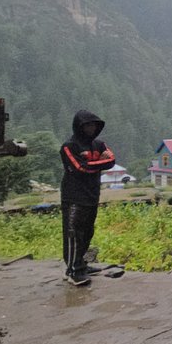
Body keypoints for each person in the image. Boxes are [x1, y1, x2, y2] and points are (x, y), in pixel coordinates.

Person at [59, 110, 117, 286]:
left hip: (92, 194)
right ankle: (72, 270)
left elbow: (112, 160)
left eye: (93, 125)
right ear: (79, 127)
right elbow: (79, 168)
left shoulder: (99, 144)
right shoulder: (69, 146)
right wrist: (100, 162)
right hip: (74, 196)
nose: (91, 128)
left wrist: (93, 163)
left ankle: (81, 264)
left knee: (87, 231)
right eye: (87, 125)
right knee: (73, 233)